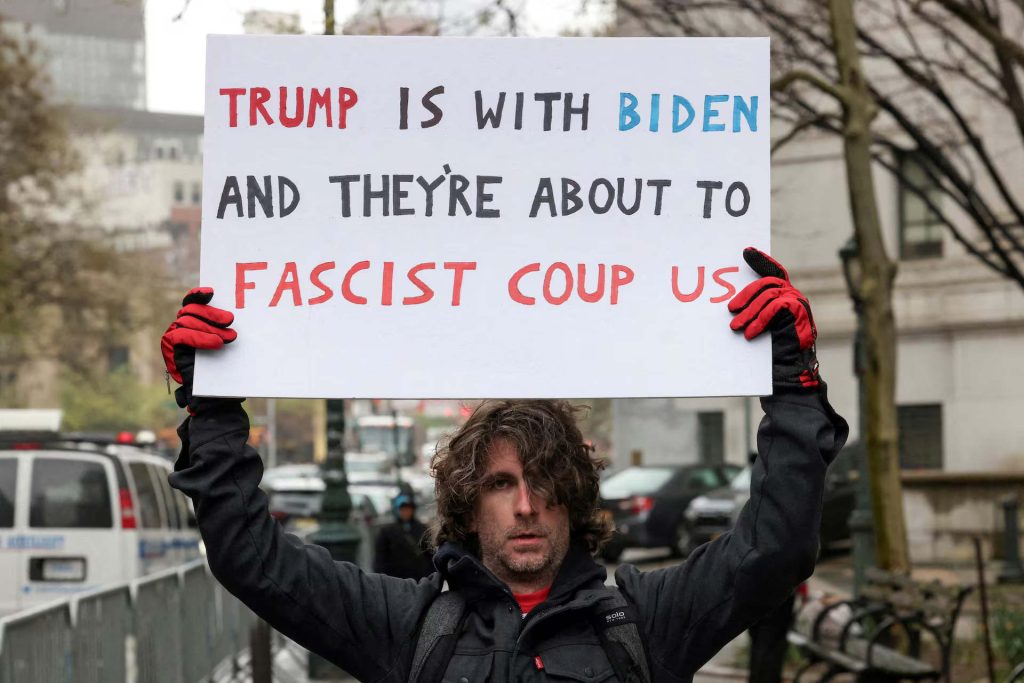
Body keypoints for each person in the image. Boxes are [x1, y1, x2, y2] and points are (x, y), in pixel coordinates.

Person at [162, 247, 848, 682]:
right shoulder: (409, 624)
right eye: (501, 484)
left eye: (547, 485)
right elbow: (254, 559)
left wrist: (793, 385)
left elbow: (776, 547)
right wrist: (213, 416)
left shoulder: (642, 620)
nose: (526, 505)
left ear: (575, 500)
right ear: (465, 503)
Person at [373, 494, 434, 579]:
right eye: (403, 509)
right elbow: (380, 558)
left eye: (408, 509)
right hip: (396, 579)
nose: (406, 512)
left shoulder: (422, 528)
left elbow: (430, 554)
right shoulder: (387, 531)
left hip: (419, 578)